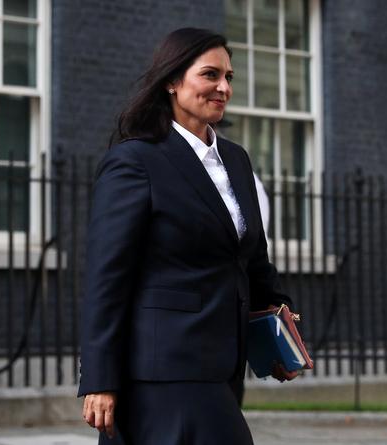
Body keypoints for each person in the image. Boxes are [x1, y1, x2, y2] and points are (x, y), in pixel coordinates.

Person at [79, 27, 298, 445]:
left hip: (223, 366)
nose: (223, 87)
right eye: (210, 75)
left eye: (229, 77)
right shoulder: (135, 161)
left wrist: (280, 331)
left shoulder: (235, 160)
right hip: (163, 369)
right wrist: (99, 378)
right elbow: (107, 279)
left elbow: (252, 262)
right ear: (172, 81)